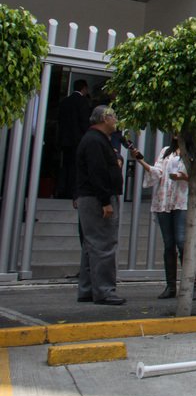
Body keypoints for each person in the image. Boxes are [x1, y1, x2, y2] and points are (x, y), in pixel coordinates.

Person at [75, 105, 127, 305]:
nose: (116, 120)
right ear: (105, 118)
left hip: (91, 196)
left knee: (92, 245)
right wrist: (105, 201)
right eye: (113, 116)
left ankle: (88, 289)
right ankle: (105, 291)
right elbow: (97, 172)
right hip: (97, 198)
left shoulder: (94, 139)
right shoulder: (95, 141)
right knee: (104, 244)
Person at [136, 136, 196, 300]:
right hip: (164, 200)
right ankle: (170, 286)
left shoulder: (194, 153)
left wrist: (183, 177)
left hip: (182, 200)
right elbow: (157, 172)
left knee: (181, 241)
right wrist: (141, 161)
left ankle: (191, 284)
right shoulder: (166, 151)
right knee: (168, 244)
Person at [57, 79, 90, 199]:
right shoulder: (83, 102)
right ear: (84, 88)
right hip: (78, 140)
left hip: (65, 140)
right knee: (76, 167)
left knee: (65, 165)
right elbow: (84, 122)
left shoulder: (65, 101)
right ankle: (73, 191)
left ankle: (62, 190)